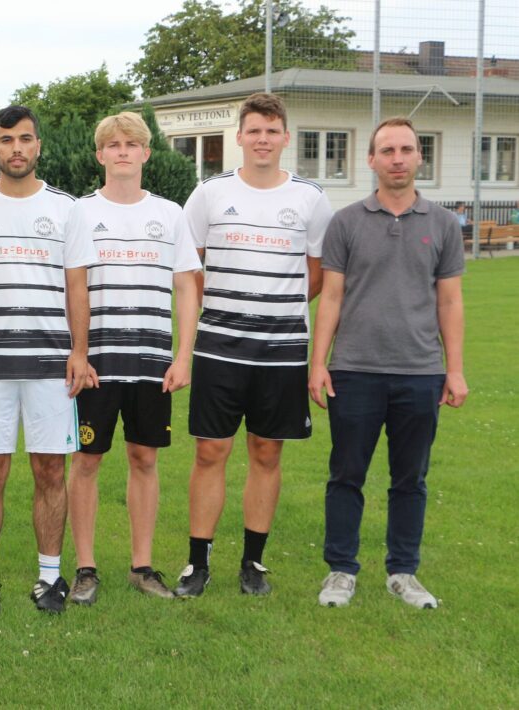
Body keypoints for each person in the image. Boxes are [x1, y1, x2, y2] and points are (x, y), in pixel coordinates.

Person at [175, 92, 333, 598]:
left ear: (285, 138)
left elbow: (315, 276)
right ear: (238, 137)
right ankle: (197, 563)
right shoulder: (209, 194)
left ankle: (253, 563)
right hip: (219, 346)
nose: (262, 139)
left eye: (272, 130)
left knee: (267, 452)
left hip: (282, 350)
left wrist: (270, 307)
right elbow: (189, 267)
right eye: (253, 130)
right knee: (210, 451)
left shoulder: (310, 198)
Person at [310, 116, 467, 609]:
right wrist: (319, 364)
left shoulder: (442, 224)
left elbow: (450, 303)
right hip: (354, 371)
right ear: (371, 160)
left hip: (420, 373)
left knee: (410, 479)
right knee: (346, 475)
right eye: (387, 150)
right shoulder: (347, 222)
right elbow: (330, 298)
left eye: (406, 149)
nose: (397, 158)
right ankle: (340, 570)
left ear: (420, 157)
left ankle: (403, 572)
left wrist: (455, 369)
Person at [0, 105, 96, 615]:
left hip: (51, 364)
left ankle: (50, 578)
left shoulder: (66, 208)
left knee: (50, 472)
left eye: (26, 139)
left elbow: (77, 285)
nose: (17, 148)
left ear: (38, 147)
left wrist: (79, 352)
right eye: (7, 139)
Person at [66, 112, 201, 605]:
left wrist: (183, 356)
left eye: (132, 144)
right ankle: (85, 568)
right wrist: (77, 353)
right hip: (95, 363)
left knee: (144, 458)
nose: (122, 151)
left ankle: (142, 567)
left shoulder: (169, 214)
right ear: (100, 155)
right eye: (113, 144)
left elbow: (187, 285)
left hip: (150, 361)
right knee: (87, 459)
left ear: (147, 153)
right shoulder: (78, 212)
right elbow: (72, 285)